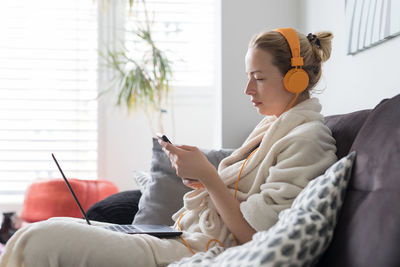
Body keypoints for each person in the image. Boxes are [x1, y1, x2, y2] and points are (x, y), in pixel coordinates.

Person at [0, 27, 337, 267]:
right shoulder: (271, 127)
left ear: (296, 79)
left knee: (39, 241)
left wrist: (209, 175)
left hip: (203, 250)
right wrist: (202, 179)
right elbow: (236, 198)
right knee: (46, 227)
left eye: (259, 78)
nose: (248, 88)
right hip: (185, 236)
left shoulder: (308, 140)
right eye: (248, 76)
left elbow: (254, 236)